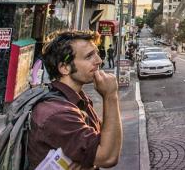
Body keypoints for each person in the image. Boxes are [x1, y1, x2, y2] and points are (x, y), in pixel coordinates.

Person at [26, 30, 122, 169]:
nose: (99, 61)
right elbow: (107, 157)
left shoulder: (76, 99)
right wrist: (110, 96)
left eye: (96, 53)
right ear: (65, 68)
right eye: (89, 56)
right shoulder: (57, 113)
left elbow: (105, 138)